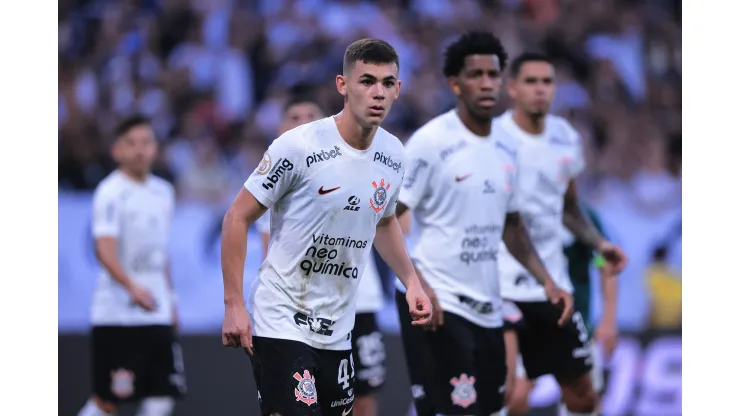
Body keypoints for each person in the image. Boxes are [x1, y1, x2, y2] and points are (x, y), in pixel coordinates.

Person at [220, 38, 432, 416]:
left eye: (387, 83)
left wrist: (410, 281)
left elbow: (383, 221)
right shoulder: (298, 146)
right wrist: (234, 304)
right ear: (342, 85)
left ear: (398, 90)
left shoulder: (394, 154)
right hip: (281, 317)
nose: (377, 92)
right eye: (366, 81)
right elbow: (237, 216)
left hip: (337, 325)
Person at [394, 31, 573, 416]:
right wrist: (418, 285)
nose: (487, 83)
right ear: (455, 84)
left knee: (493, 408)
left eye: (493, 74)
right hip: (437, 296)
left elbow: (511, 226)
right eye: (476, 75)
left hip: (487, 304)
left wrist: (547, 280)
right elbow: (388, 219)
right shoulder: (430, 143)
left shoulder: (508, 147)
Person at [495, 52, 628, 416]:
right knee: (512, 395)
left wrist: (599, 244)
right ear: (512, 88)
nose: (540, 90)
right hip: (503, 286)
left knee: (583, 396)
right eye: (531, 82)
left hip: (556, 292)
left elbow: (570, 208)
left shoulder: (565, 138)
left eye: (547, 82)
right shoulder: (494, 139)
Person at [255, 97, 388, 416]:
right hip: (297, 310)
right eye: (293, 115)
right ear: (280, 127)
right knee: (295, 402)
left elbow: (391, 221)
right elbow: (265, 249)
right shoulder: (276, 174)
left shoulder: (357, 164)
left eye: (310, 115)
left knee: (363, 400)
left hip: (358, 302)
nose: (302, 121)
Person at [78, 115, 186, 416]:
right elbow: (103, 249)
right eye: (131, 143)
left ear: (155, 148)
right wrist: (131, 287)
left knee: (163, 394)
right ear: (117, 150)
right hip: (118, 313)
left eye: (146, 142)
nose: (139, 150)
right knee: (108, 400)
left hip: (157, 309)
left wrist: (171, 299)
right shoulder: (110, 192)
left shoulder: (164, 192)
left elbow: (162, 252)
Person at [503, 202, 618, 415]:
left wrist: (608, 321)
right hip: (523, 315)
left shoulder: (582, 217)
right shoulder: (512, 213)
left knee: (586, 400)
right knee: (515, 397)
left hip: (574, 319)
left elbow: (604, 263)